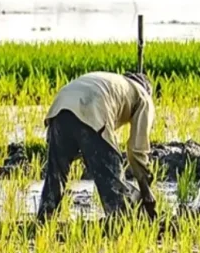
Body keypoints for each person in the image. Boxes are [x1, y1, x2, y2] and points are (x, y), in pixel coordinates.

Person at [36, 70, 157, 221]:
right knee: (111, 177)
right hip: (92, 107)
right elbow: (137, 150)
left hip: (59, 107)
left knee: (55, 173)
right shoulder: (143, 96)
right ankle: (120, 221)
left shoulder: (113, 81)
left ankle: (44, 218)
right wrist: (146, 191)